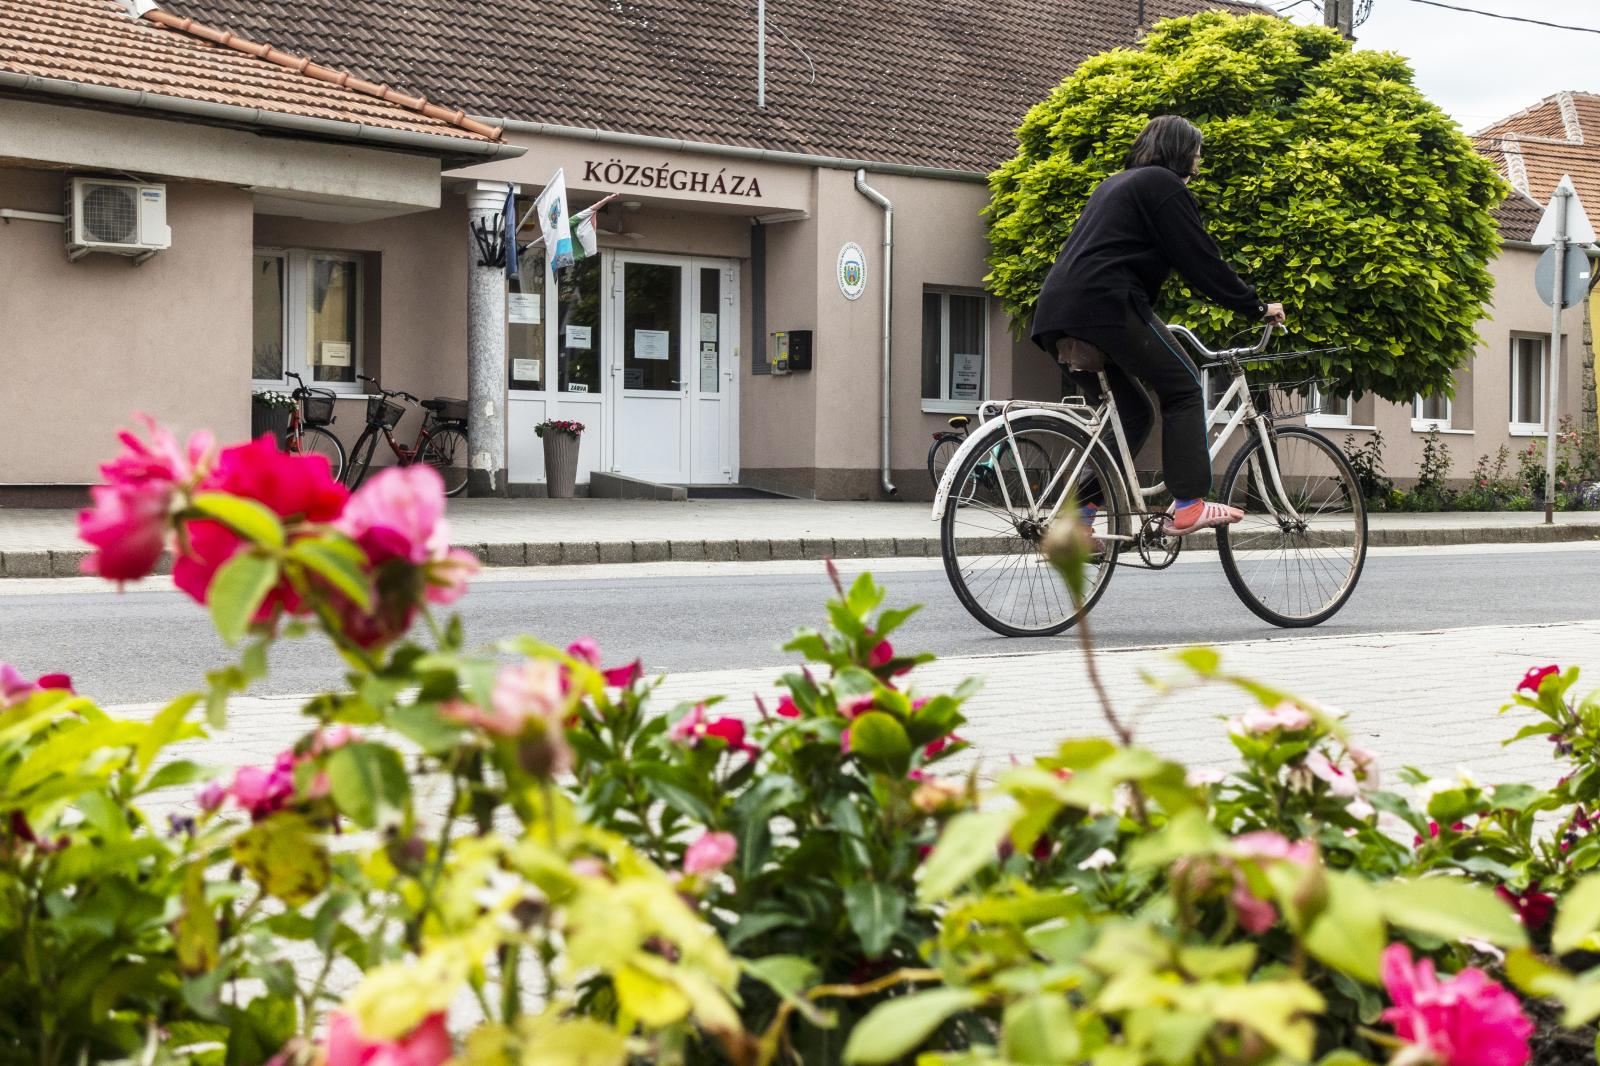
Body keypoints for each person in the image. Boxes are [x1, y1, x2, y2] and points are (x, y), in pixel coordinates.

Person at [1030, 114, 1285, 535]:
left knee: (1132, 415)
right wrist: (1255, 307)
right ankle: (1187, 505)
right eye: (1197, 150)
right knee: (1184, 385)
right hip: (1107, 305)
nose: (1200, 158)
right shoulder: (1163, 185)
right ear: (1181, 151)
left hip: (1057, 314)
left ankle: (1078, 518)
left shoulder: (1114, 184)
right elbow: (1200, 259)